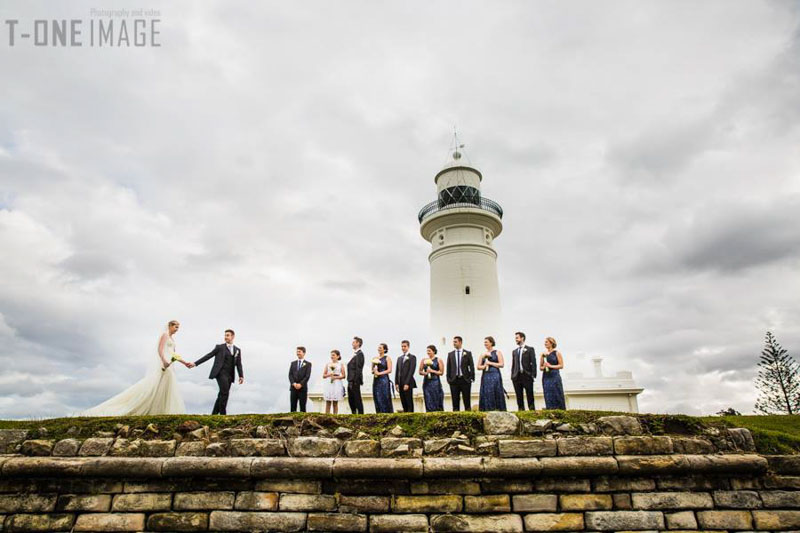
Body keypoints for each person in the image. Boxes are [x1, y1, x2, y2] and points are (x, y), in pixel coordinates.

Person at [81, 320, 190, 415]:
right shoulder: (165, 335)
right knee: (155, 386)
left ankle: (162, 411)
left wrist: (184, 363)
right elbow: (160, 350)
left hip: (169, 366)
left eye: (178, 327)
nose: (177, 329)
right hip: (164, 364)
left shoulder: (172, 340)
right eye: (176, 326)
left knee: (166, 385)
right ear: (170, 326)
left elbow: (174, 355)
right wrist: (164, 361)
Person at [188, 329, 244, 415]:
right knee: (225, 392)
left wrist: (241, 376)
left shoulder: (237, 350)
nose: (225, 337)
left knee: (221, 394)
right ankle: (223, 414)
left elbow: (239, 364)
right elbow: (208, 356)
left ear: (233, 336)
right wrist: (195, 363)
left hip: (230, 375)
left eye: (228, 335)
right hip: (220, 373)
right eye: (225, 335)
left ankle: (214, 414)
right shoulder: (219, 347)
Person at [478, 336, 507, 411]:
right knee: (487, 392)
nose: (485, 344)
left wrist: (490, 363)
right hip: (486, 375)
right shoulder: (483, 354)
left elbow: (501, 364)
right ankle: (487, 409)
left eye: (486, 342)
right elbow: (478, 366)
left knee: (495, 391)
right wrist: (484, 366)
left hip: (495, 375)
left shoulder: (497, 352)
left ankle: (498, 408)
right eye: (484, 342)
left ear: (491, 343)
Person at [446, 336, 475, 411]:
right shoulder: (450, 354)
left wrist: (471, 378)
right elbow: (448, 367)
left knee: (467, 401)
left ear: (460, 342)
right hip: (454, 380)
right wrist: (449, 379)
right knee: (455, 401)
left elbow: (471, 366)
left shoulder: (467, 353)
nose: (454, 343)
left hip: (465, 380)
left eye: (455, 342)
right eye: (453, 342)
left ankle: (468, 418)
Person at [511, 331, 536, 411]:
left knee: (529, 394)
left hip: (527, 375)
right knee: (519, 395)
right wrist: (512, 375)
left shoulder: (530, 349)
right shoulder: (514, 351)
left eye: (517, 338)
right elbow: (513, 364)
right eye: (515, 338)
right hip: (517, 376)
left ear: (522, 338)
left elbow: (534, 362)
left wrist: (533, 374)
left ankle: (532, 411)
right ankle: (521, 410)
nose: (516, 340)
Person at [541, 337, 566, 409]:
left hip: (554, 376)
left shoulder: (557, 353)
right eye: (545, 342)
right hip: (546, 376)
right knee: (548, 393)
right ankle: (550, 409)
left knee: (557, 393)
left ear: (551, 343)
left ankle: (560, 409)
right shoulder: (543, 354)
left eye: (546, 342)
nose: (545, 343)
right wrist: (544, 367)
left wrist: (550, 366)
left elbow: (561, 365)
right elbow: (540, 367)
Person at [419, 344, 444, 412]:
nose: (428, 352)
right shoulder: (424, 360)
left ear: (433, 351)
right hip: (427, 382)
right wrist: (426, 373)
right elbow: (420, 371)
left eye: (429, 351)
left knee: (436, 398)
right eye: (427, 351)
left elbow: (441, 372)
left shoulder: (438, 360)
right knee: (428, 398)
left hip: (435, 382)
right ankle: (429, 411)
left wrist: (432, 371)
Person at [394, 340, 417, 412]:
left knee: (409, 402)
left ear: (408, 347)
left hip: (408, 383)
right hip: (400, 383)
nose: (403, 348)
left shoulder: (412, 357)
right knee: (403, 402)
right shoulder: (399, 358)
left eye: (405, 346)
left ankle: (411, 418)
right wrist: (396, 383)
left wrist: (407, 383)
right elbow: (397, 371)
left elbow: (411, 371)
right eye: (402, 346)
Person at [288, 346, 312, 412]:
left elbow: (307, 376)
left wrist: (301, 384)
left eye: (299, 351)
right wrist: (294, 383)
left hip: (302, 388)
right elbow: (290, 375)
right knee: (293, 407)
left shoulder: (308, 364)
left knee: (302, 407)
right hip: (293, 388)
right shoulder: (293, 363)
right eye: (297, 351)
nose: (298, 353)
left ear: (304, 353)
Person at [322, 349, 346, 414]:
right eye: (331, 355)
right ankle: (327, 416)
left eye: (333, 355)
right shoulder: (328, 364)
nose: (332, 356)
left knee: (335, 402)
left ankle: (335, 416)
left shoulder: (341, 364)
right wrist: (329, 374)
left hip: (337, 383)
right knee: (328, 402)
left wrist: (335, 377)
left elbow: (344, 376)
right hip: (329, 383)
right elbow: (323, 375)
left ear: (338, 356)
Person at [372, 343, 393, 413]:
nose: (379, 349)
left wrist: (379, 373)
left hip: (384, 380)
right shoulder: (375, 358)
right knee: (377, 397)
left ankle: (387, 413)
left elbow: (389, 370)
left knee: (384, 397)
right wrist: (374, 371)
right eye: (378, 348)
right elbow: (372, 370)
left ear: (385, 349)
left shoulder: (387, 358)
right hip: (376, 380)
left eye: (380, 348)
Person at [346, 336, 365, 414]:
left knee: (357, 398)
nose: (352, 344)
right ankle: (353, 413)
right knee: (351, 399)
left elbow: (358, 368)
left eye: (354, 342)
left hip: (355, 381)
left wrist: (356, 380)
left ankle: (360, 414)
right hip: (350, 380)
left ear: (358, 343)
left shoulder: (360, 354)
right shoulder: (354, 354)